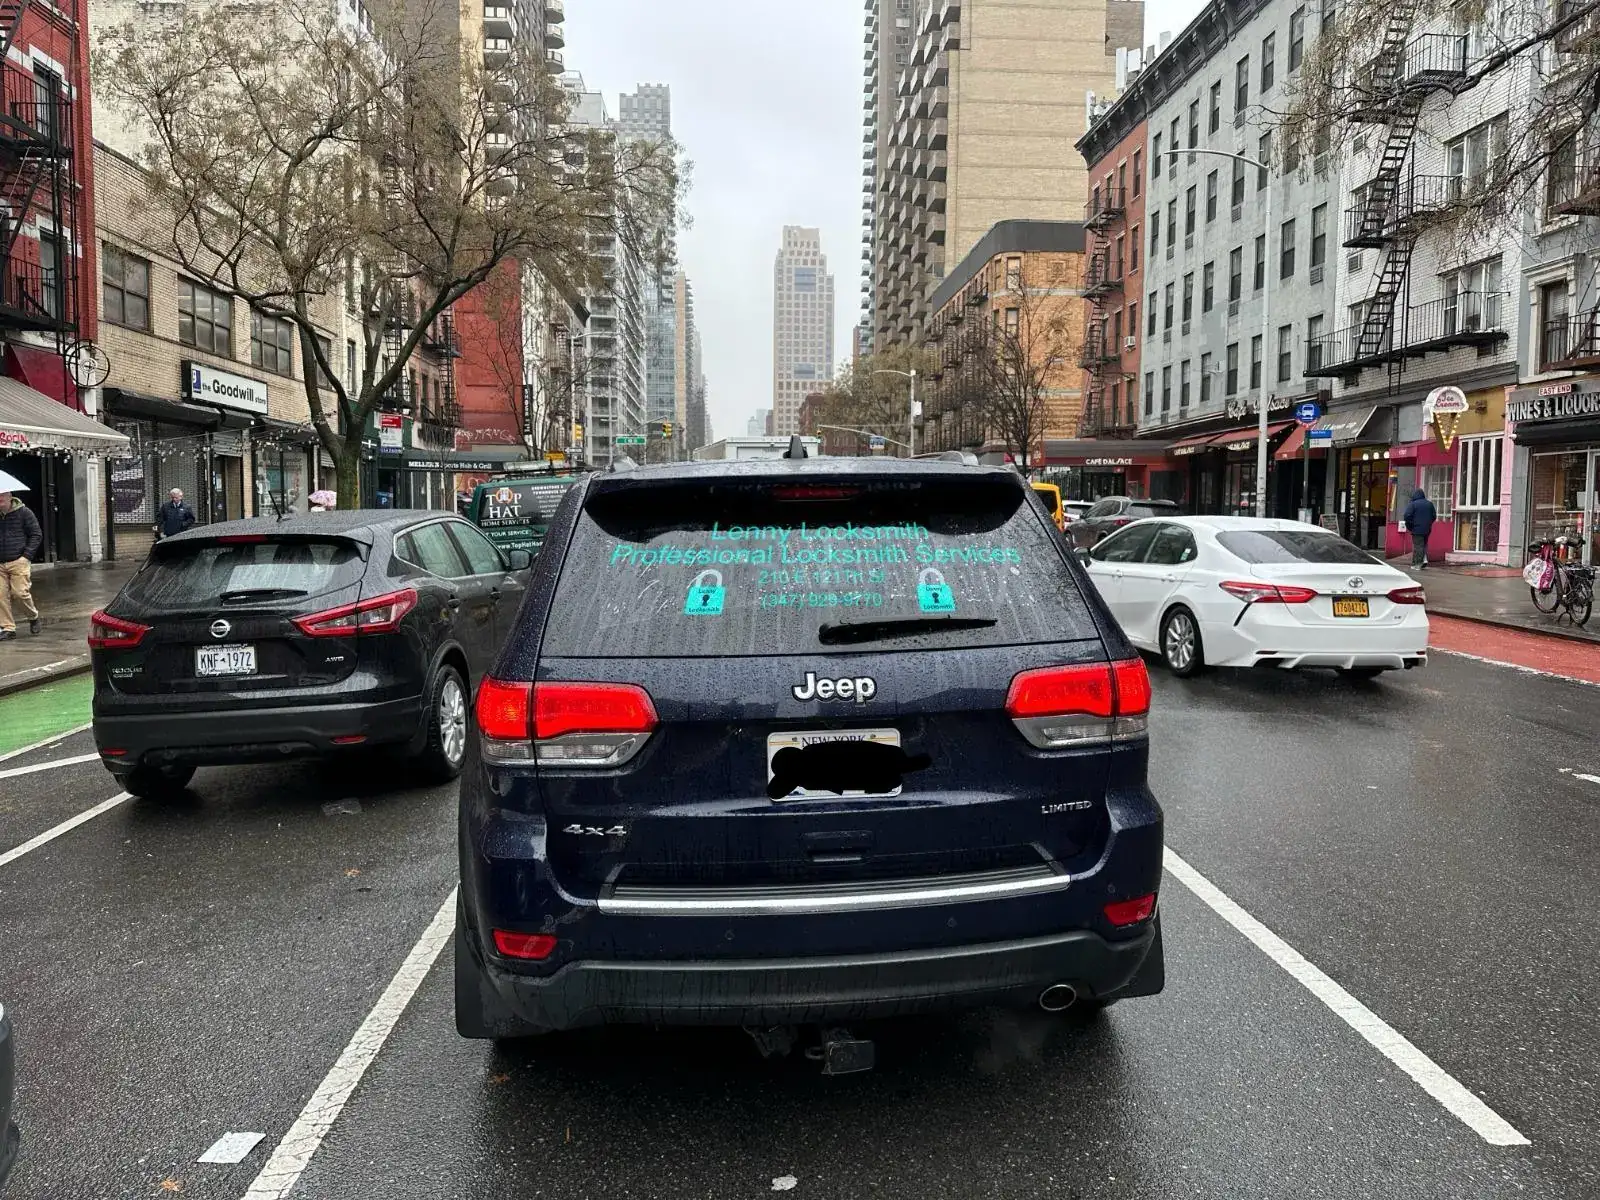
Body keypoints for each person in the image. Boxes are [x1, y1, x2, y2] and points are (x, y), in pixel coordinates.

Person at [0, 489, 42, 640]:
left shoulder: (24, 512)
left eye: (2, 495)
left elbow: (36, 535)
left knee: (20, 594)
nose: (0, 498)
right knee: (0, 596)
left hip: (18, 561)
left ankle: (33, 617)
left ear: (10, 496)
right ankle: (8, 628)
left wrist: (26, 556)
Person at [1402, 487, 1437, 570]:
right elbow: (1434, 516)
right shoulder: (1429, 504)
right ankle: (1423, 560)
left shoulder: (1413, 504)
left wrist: (1411, 525)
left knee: (1418, 546)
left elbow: (1407, 515)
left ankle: (1417, 564)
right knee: (1424, 545)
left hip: (1416, 529)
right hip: (1427, 529)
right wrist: (1428, 524)